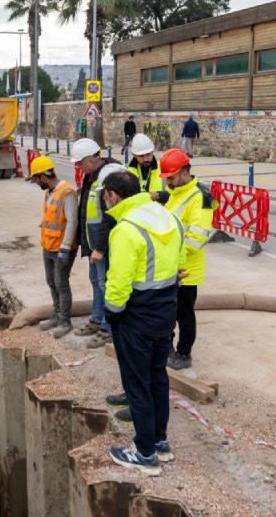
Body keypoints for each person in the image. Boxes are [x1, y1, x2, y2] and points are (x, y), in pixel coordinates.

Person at [99, 171, 184, 476]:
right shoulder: (168, 219)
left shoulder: (125, 230)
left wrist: (112, 315)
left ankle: (145, 453)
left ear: (113, 195)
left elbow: (118, 283)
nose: (104, 201)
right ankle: (160, 443)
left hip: (135, 318)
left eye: (105, 195)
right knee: (157, 378)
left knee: (137, 385)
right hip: (165, 312)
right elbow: (179, 262)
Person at [157, 148, 214, 370]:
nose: (167, 182)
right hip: (171, 266)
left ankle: (184, 353)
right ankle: (168, 348)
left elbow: (197, 239)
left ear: (184, 173)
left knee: (184, 314)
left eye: (170, 177)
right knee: (169, 312)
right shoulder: (176, 192)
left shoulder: (200, 197)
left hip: (187, 269)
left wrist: (171, 255)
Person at [71, 138, 126, 349]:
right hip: (92, 240)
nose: (78, 166)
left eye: (80, 162)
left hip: (103, 243)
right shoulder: (91, 176)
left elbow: (109, 218)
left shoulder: (108, 177)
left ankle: (108, 328)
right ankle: (96, 319)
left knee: (106, 284)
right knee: (96, 281)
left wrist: (101, 249)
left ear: (92, 160)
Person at [28, 155, 78, 338]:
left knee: (61, 284)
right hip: (48, 246)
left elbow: (72, 221)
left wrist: (65, 247)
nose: (35, 182)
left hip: (62, 249)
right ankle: (56, 315)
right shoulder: (49, 192)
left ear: (42, 176)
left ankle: (65, 321)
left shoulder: (67, 193)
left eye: (35, 179)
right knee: (51, 282)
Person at [125, 134, 168, 205]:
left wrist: (159, 195)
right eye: (141, 156)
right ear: (134, 155)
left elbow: (175, 194)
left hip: (159, 214)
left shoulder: (164, 167)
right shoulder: (125, 171)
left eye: (148, 154)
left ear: (152, 151)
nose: (145, 159)